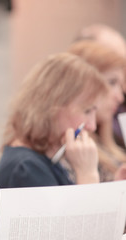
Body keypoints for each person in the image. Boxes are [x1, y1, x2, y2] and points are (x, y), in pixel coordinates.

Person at [0, 52, 108, 239]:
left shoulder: (42, 161)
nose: (92, 125)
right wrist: (87, 175)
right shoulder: (25, 170)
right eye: (87, 111)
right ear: (52, 108)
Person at [68, 40, 126, 181]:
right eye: (112, 82)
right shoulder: (72, 150)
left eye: (120, 84)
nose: (119, 97)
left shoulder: (109, 143)